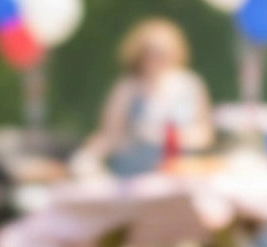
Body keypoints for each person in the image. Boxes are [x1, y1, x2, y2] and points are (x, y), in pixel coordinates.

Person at [76, 18, 213, 177]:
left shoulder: (191, 84)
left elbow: (205, 134)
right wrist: (88, 156)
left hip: (181, 173)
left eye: (163, 52)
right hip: (134, 177)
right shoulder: (127, 87)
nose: (157, 58)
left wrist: (164, 137)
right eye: (152, 52)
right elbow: (110, 134)